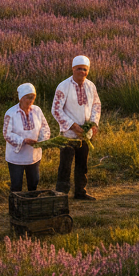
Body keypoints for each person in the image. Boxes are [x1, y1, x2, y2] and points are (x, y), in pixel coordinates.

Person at [51, 55, 101, 200]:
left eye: (84, 69)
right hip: (68, 134)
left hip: (85, 134)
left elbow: (96, 105)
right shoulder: (63, 86)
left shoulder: (90, 86)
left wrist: (93, 123)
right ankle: (61, 194)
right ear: (73, 69)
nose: (82, 72)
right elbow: (56, 110)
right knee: (65, 166)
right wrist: (73, 126)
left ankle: (80, 192)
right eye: (79, 69)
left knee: (82, 165)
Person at [3, 83, 51, 192]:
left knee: (34, 182)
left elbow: (45, 127)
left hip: (33, 155)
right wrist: (23, 140)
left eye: (33, 97)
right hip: (16, 157)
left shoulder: (37, 111)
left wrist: (41, 141)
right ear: (20, 98)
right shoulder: (11, 113)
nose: (30, 100)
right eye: (27, 97)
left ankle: (31, 204)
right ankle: (16, 207)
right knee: (16, 185)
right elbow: (7, 134)